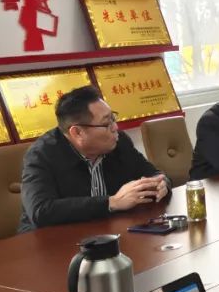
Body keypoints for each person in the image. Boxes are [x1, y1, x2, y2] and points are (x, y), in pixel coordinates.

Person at [19, 86, 169, 232]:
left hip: (107, 232)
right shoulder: (41, 155)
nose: (115, 127)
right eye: (106, 123)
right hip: (51, 239)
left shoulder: (119, 141)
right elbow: (41, 211)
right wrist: (112, 202)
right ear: (77, 132)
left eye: (113, 118)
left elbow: (152, 173)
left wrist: (162, 184)